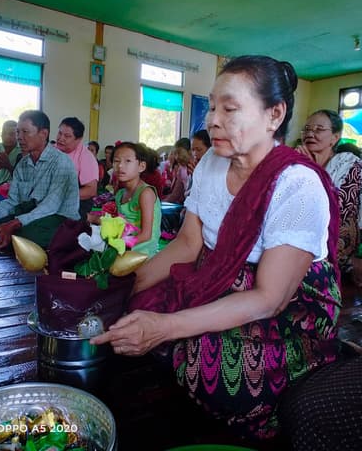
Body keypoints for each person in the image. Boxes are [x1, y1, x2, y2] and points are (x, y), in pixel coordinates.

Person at [90, 55, 342, 440]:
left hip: (288, 306)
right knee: (137, 306)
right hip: (218, 276)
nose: (212, 120)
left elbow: (269, 298)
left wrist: (165, 327)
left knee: (209, 364)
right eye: (211, 106)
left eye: (230, 108)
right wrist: (119, 288)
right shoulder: (211, 162)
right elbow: (188, 244)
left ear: (274, 114)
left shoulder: (297, 184)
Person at [0, 110, 80, 248]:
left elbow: (50, 206)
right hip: (31, 215)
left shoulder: (62, 162)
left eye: (25, 132)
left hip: (59, 219)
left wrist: (14, 223)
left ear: (43, 134)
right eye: (18, 132)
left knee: (24, 235)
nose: (19, 137)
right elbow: (12, 202)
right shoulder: (23, 165)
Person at [296, 109, 362, 279]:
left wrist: (313, 170)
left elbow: (338, 209)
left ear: (335, 137)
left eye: (318, 129)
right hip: (298, 234)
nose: (310, 133)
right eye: (307, 129)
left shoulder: (348, 163)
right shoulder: (297, 161)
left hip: (334, 241)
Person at [112, 142, 161, 257]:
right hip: (125, 245)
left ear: (141, 166)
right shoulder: (120, 194)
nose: (120, 166)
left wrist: (118, 244)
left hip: (143, 250)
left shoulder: (145, 193)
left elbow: (146, 235)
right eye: (116, 161)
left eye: (127, 161)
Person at [56, 117, 99, 219]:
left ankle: (90, 218)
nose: (61, 138)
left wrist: (60, 197)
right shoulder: (51, 151)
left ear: (78, 139)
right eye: (59, 133)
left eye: (67, 136)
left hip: (76, 201)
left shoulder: (86, 157)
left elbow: (91, 190)